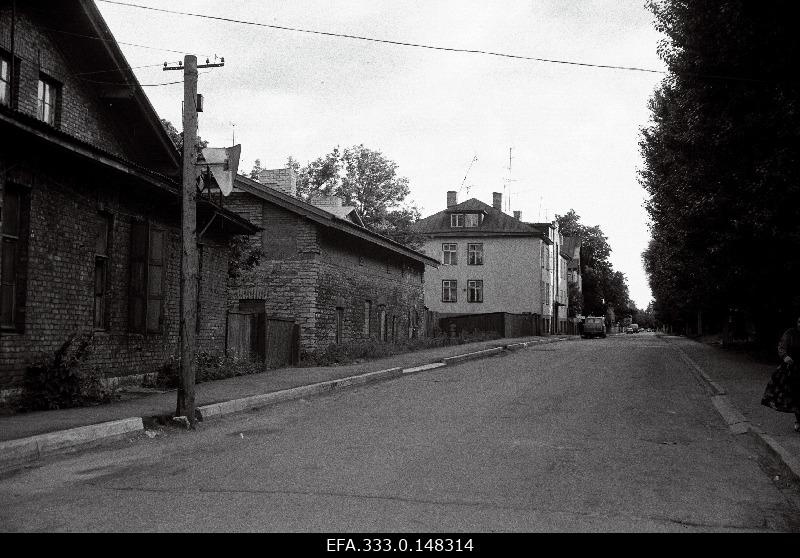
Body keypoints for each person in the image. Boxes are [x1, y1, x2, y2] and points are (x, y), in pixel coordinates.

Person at [762, 316, 800, 432]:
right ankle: (799, 420)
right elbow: (781, 346)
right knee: (796, 395)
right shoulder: (790, 333)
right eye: (799, 321)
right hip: (793, 368)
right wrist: (785, 356)